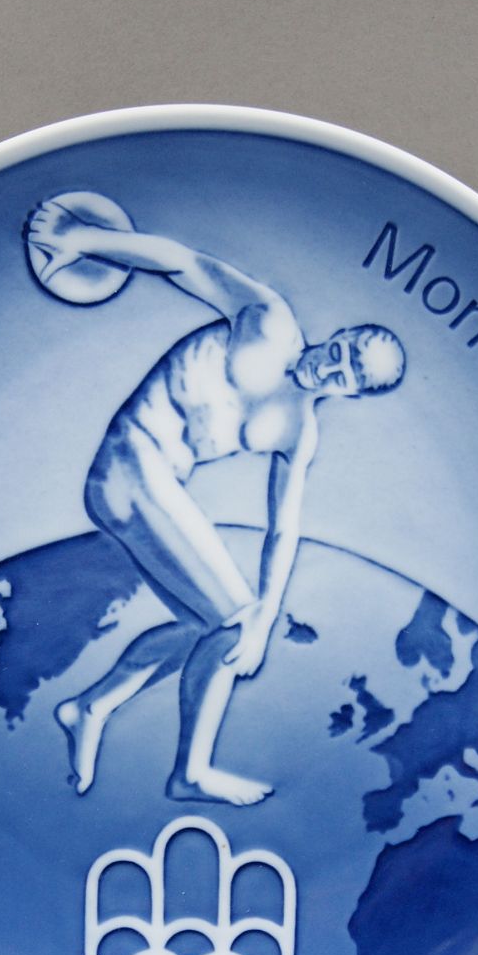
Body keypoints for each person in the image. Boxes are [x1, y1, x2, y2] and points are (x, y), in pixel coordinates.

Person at [27, 199, 406, 806]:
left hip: (151, 487)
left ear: (353, 394)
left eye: (349, 376)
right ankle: (190, 773)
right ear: (342, 334)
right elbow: (182, 263)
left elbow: (283, 531)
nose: (332, 367)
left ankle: (90, 706)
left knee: (212, 628)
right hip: (130, 461)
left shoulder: (297, 430)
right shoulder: (270, 322)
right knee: (230, 621)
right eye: (344, 350)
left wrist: (266, 620)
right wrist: (86, 240)